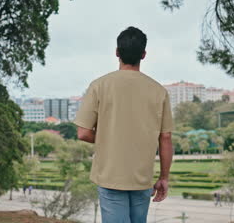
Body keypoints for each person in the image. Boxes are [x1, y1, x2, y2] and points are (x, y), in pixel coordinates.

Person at [74, 26, 173, 223]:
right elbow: (166, 138)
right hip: (142, 178)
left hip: (110, 176)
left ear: (117, 52)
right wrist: (163, 177)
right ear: (143, 55)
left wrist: (108, 137)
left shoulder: (99, 85)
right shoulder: (159, 91)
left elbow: (83, 133)